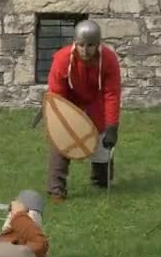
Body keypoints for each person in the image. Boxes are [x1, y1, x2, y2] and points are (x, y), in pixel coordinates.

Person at [45, 20, 122, 204]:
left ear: (98, 44)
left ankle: (100, 180)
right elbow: (56, 94)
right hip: (69, 105)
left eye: (90, 45)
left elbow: (112, 94)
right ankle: (56, 189)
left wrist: (112, 127)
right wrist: (60, 122)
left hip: (97, 105)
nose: (84, 50)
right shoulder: (62, 59)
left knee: (102, 146)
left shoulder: (109, 60)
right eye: (80, 45)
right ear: (75, 43)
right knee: (62, 143)